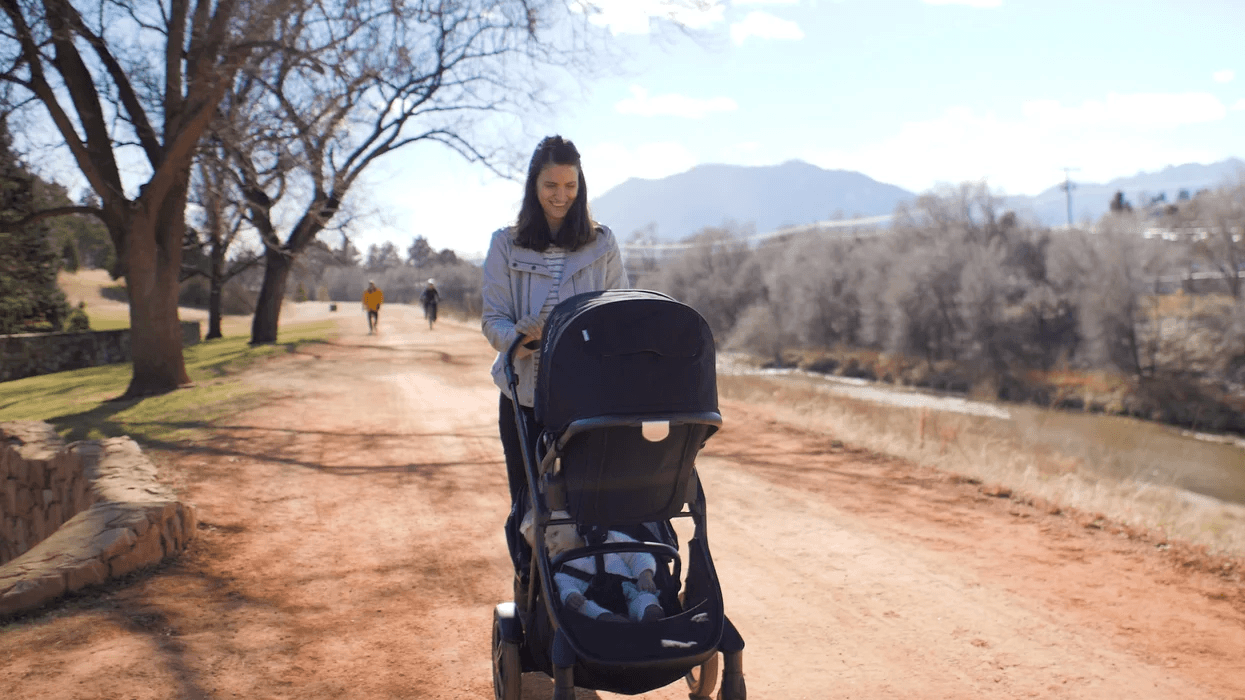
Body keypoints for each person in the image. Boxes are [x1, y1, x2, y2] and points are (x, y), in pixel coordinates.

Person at [481, 135, 629, 576]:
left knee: (590, 502)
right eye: (551, 185)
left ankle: (589, 587)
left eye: (570, 185)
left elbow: (619, 312)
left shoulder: (602, 242)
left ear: (581, 185)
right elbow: (494, 322)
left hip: (586, 399)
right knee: (529, 504)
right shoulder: (506, 244)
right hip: (524, 397)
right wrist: (524, 338)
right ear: (534, 185)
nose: (561, 196)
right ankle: (531, 596)